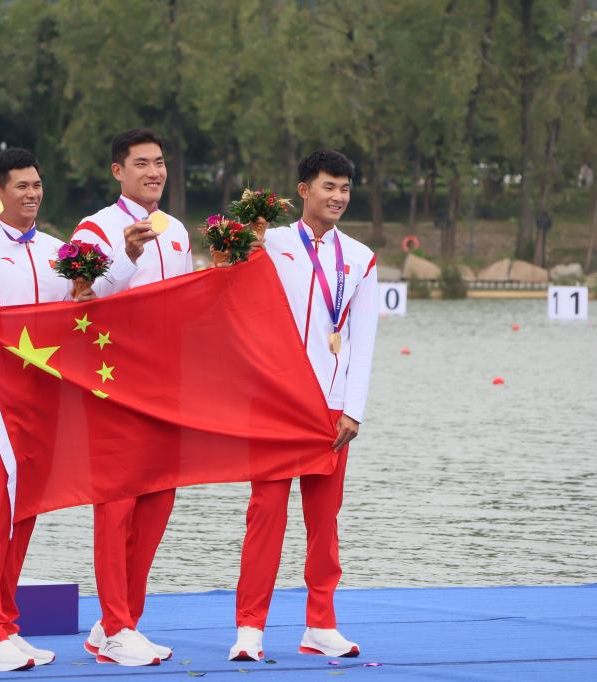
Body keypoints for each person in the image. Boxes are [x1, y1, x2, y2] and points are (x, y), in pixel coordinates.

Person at [0, 148, 98, 671]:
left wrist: (84, 298)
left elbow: (75, 320)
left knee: (22, 518)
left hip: (43, 405)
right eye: (21, 186)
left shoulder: (62, 252)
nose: (32, 193)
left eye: (37, 185)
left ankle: (5, 626)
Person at [229, 150, 378, 662]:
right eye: (328, 186)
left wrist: (353, 409)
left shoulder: (360, 258)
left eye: (345, 188)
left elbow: (363, 340)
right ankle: (249, 628)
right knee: (265, 515)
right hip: (274, 404)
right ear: (303, 190)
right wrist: (240, 245)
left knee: (324, 521)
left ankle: (321, 624)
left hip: (331, 409)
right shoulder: (267, 242)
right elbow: (226, 285)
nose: (337, 197)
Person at [69, 129, 193, 667]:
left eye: (159, 162)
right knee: (116, 506)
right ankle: (117, 624)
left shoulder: (179, 231)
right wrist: (125, 255)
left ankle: (118, 623)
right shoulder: (93, 229)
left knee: (158, 503)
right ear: (118, 171)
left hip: (167, 385)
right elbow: (81, 300)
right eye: (141, 163)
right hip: (114, 381)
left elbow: (186, 306)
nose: (154, 172)